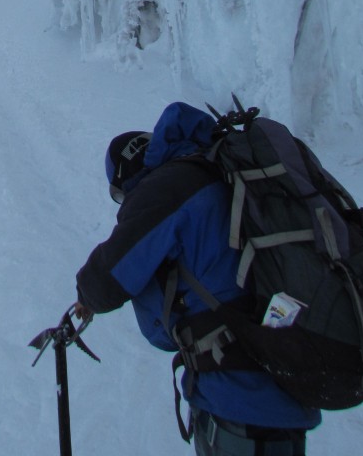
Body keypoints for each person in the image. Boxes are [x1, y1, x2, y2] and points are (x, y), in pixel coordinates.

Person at [74, 102, 321, 456]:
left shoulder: (166, 189)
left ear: (126, 178)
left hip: (238, 393)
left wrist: (85, 296)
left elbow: (108, 276)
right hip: (282, 378)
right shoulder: (214, 170)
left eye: (118, 194)